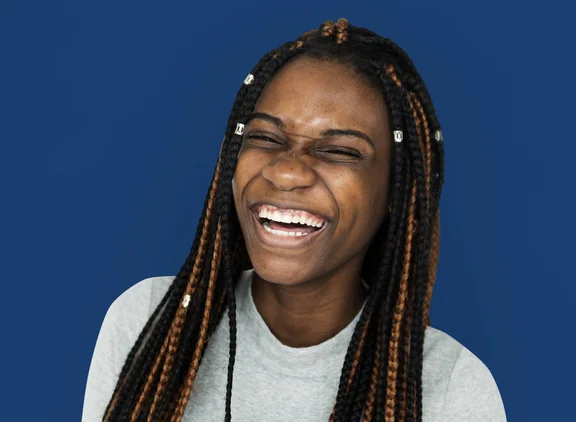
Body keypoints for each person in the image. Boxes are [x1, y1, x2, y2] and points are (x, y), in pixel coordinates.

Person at [82, 18, 506, 422]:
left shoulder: (451, 386)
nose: (286, 172)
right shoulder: (147, 320)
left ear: (396, 192)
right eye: (265, 139)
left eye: (340, 151)